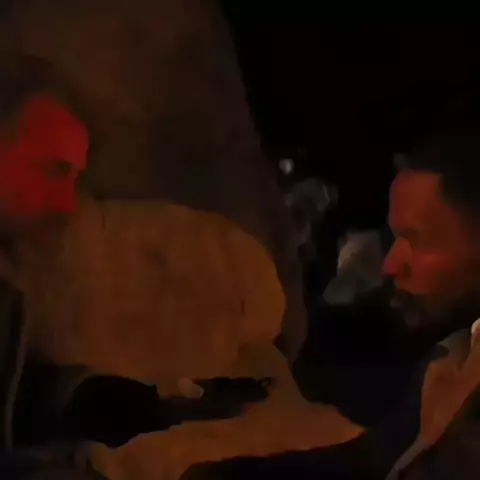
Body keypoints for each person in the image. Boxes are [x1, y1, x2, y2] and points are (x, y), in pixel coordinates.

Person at [180, 102, 480, 479]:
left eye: (418, 240)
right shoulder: (450, 358)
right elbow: (370, 456)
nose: (391, 265)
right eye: (395, 237)